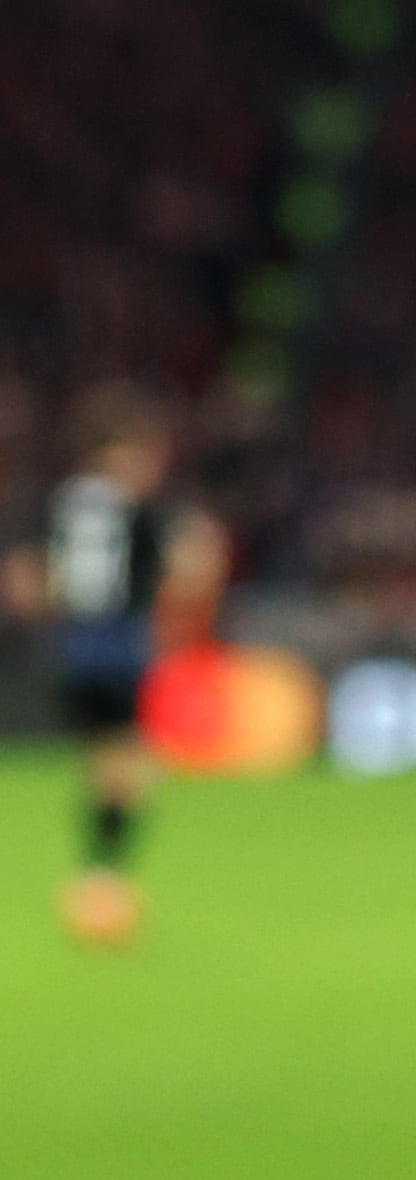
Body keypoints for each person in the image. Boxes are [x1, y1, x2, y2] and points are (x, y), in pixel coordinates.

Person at [4, 387, 225, 947]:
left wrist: (55, 619)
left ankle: (98, 881)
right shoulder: (143, 508)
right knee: (129, 766)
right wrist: (172, 618)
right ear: (126, 450)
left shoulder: (54, 502)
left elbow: (24, 579)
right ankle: (100, 883)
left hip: (68, 648)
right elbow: (193, 563)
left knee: (109, 760)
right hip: (117, 647)